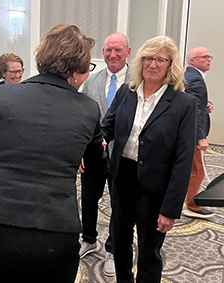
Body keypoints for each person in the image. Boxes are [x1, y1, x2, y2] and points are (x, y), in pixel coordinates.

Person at [0, 24, 105, 283]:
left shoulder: (3, 96)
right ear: (78, 71)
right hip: (56, 234)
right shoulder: (89, 110)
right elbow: (97, 170)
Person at [101, 36, 196, 283]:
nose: (153, 64)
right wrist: (98, 140)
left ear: (170, 65)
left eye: (160, 59)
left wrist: (170, 210)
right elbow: (107, 126)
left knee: (149, 252)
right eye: (148, 58)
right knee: (119, 243)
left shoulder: (183, 104)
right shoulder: (127, 92)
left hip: (156, 189)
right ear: (140, 61)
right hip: (122, 181)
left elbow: (183, 160)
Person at [80, 32, 131, 277]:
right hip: (93, 154)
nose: (112, 54)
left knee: (120, 205)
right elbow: (83, 118)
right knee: (89, 199)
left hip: (125, 158)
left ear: (128, 52)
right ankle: (88, 239)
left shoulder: (138, 82)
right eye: (108, 50)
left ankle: (113, 250)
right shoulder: (92, 81)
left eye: (118, 50)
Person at [182, 47, 215, 219]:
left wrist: (206, 103)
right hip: (192, 135)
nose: (209, 59)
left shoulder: (191, 77)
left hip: (188, 132)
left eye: (209, 57)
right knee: (197, 171)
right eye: (204, 57)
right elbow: (194, 109)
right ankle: (192, 205)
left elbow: (194, 101)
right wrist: (200, 137)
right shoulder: (195, 80)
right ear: (192, 61)